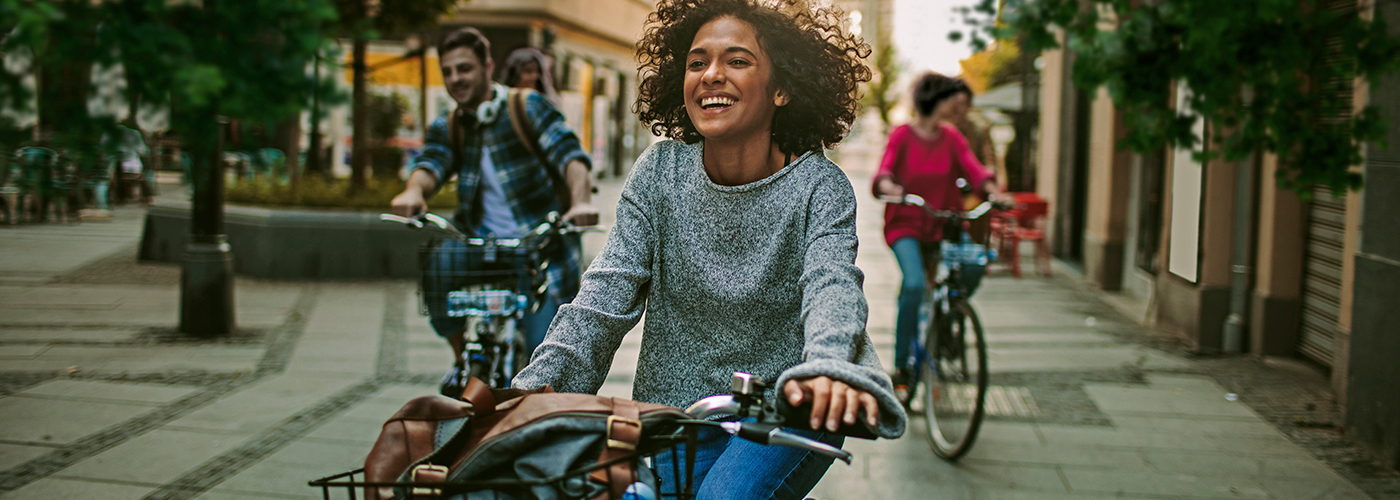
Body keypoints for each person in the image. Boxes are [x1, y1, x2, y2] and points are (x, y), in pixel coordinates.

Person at [512, 0, 905, 497]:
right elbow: (602, 299)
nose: (712, 75)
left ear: (781, 88)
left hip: (790, 408)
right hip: (676, 416)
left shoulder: (819, 187)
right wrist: (533, 395)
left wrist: (825, 369)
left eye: (737, 61)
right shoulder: (659, 173)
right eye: (697, 63)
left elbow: (832, 287)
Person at [390, 27, 599, 393]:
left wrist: (580, 201)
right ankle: (461, 360)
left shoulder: (526, 106)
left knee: (543, 358)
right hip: (481, 245)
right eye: (449, 71)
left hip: (538, 249)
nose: (456, 79)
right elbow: (431, 163)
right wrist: (412, 192)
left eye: (465, 69)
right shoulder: (451, 124)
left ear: (488, 67)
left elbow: (570, 155)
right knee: (436, 269)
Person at [873, 73, 1004, 391]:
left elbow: (974, 168)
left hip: (943, 224)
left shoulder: (952, 137)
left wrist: (992, 190)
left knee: (974, 265)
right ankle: (902, 365)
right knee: (915, 284)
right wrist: (890, 185)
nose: (957, 104)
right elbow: (884, 172)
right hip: (906, 224)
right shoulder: (902, 135)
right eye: (950, 98)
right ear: (934, 101)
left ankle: (946, 319)